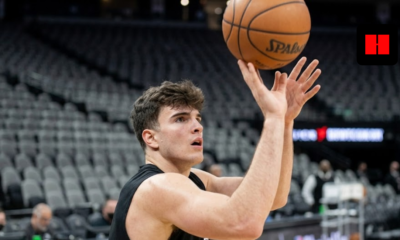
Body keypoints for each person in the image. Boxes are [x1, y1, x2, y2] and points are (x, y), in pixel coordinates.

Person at [109, 57, 321, 240]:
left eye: (197, 118)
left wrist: (284, 122)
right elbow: (244, 223)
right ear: (151, 138)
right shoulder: (156, 187)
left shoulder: (195, 179)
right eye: (181, 119)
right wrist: (273, 118)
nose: (197, 126)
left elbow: (274, 197)